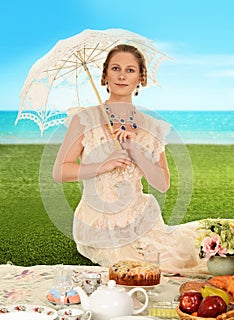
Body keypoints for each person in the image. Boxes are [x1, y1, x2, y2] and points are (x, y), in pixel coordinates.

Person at [53, 44, 207, 274]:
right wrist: (101, 166)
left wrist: (135, 151)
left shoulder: (153, 127)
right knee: (137, 269)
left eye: (130, 70)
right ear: (105, 75)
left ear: (141, 78)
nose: (122, 75)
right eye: (115, 68)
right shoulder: (85, 119)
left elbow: (162, 184)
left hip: (141, 217)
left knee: (185, 256)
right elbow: (59, 172)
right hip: (98, 223)